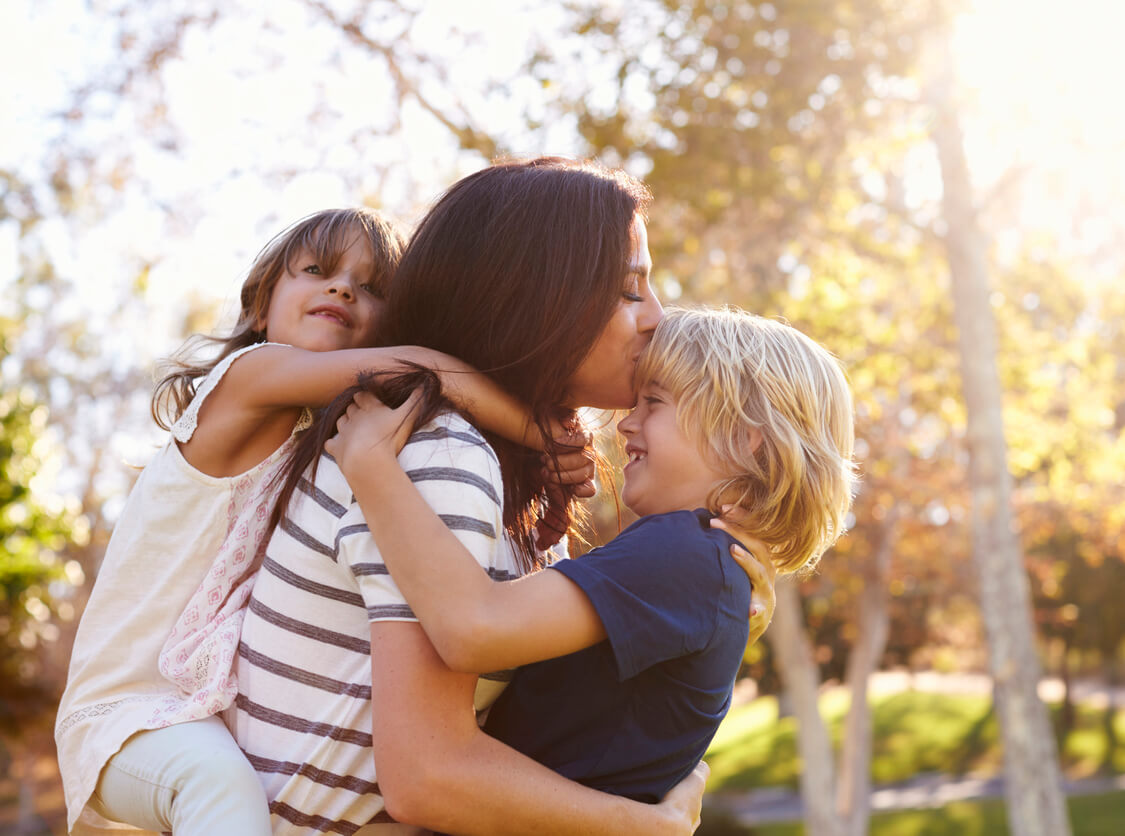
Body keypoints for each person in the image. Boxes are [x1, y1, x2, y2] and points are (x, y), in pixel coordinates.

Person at [228, 158, 772, 835]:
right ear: (539, 295)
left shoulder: (485, 466)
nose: (656, 317)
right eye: (631, 288)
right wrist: (645, 827)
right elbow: (430, 777)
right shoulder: (440, 456)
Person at [53, 207, 576, 836]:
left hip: (200, 708)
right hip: (125, 713)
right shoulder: (247, 377)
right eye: (317, 271)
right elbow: (421, 370)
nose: (343, 289)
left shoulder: (325, 437)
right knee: (217, 787)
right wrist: (542, 438)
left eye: (372, 287)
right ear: (260, 310)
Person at [329, 305, 857, 804]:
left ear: (746, 441)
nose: (627, 422)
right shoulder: (706, 564)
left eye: (655, 402)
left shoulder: (684, 552)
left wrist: (371, 465)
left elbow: (473, 627)